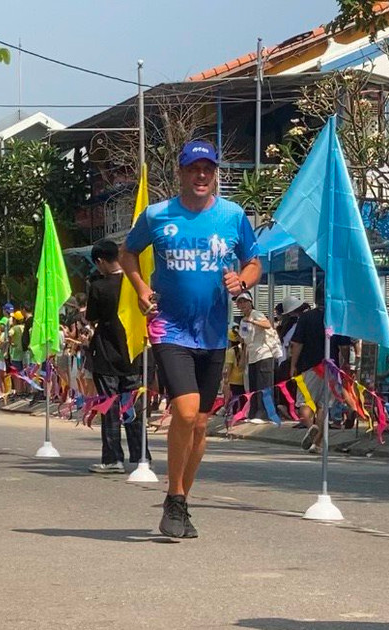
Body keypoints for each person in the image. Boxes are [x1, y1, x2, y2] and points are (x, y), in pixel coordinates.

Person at [120, 139, 261, 539]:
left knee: (200, 423)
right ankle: (176, 496)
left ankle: (178, 501)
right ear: (181, 173)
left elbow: (254, 262)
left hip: (214, 332)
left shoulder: (232, 215)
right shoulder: (157, 214)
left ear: (215, 174)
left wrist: (243, 279)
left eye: (208, 169)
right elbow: (128, 253)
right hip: (169, 327)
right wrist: (140, 288)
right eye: (194, 169)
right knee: (184, 413)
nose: (202, 175)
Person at [85, 239, 146, 474]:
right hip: (133, 351)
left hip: (107, 352)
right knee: (132, 404)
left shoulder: (99, 287)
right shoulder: (135, 282)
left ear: (100, 261)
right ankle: (141, 454)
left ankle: (112, 458)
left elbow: (92, 316)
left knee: (109, 405)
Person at [289, 282, 352, 453]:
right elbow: (345, 346)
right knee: (324, 406)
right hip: (330, 367)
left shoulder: (306, 317)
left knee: (304, 401)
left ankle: (310, 426)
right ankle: (317, 444)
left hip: (308, 366)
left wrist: (293, 365)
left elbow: (297, 343)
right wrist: (345, 362)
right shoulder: (336, 319)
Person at [236, 292, 279, 420]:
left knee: (264, 385)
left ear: (250, 302)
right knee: (253, 386)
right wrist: (243, 358)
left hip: (264, 354)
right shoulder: (243, 320)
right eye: (240, 302)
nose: (242, 304)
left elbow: (267, 324)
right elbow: (244, 341)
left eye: (245, 301)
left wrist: (253, 321)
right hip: (252, 356)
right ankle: (254, 411)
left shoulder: (256, 314)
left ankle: (266, 413)